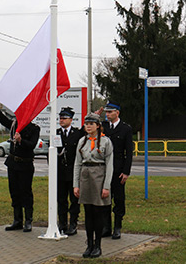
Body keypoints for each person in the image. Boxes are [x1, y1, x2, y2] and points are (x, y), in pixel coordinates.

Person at [0, 94, 40, 232]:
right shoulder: (13, 125)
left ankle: (28, 220)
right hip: (13, 164)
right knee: (14, 192)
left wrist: (21, 140)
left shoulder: (34, 128)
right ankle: (17, 220)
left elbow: (32, 145)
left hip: (26, 164)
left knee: (26, 192)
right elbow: (2, 118)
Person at [73, 113, 113, 258]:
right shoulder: (82, 141)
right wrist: (75, 185)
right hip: (85, 176)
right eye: (86, 124)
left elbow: (109, 165)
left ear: (98, 126)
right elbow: (77, 163)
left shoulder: (105, 141)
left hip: (99, 176)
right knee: (88, 212)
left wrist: (106, 186)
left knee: (98, 213)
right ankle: (89, 244)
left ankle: (98, 245)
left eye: (91, 124)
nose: (88, 126)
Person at [98, 101, 133, 240]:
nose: (107, 114)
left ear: (117, 113)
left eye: (110, 112)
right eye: (106, 112)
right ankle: (106, 227)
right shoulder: (103, 127)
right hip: (104, 168)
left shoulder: (125, 129)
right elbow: (87, 128)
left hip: (118, 168)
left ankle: (117, 227)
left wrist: (126, 171)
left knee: (119, 199)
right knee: (105, 198)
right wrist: (95, 116)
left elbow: (129, 152)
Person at [57, 107, 85, 235]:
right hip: (60, 172)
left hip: (73, 172)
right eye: (60, 118)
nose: (61, 120)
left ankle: (73, 223)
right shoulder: (56, 133)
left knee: (74, 200)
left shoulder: (77, 133)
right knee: (61, 200)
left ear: (71, 119)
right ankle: (62, 223)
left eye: (64, 118)